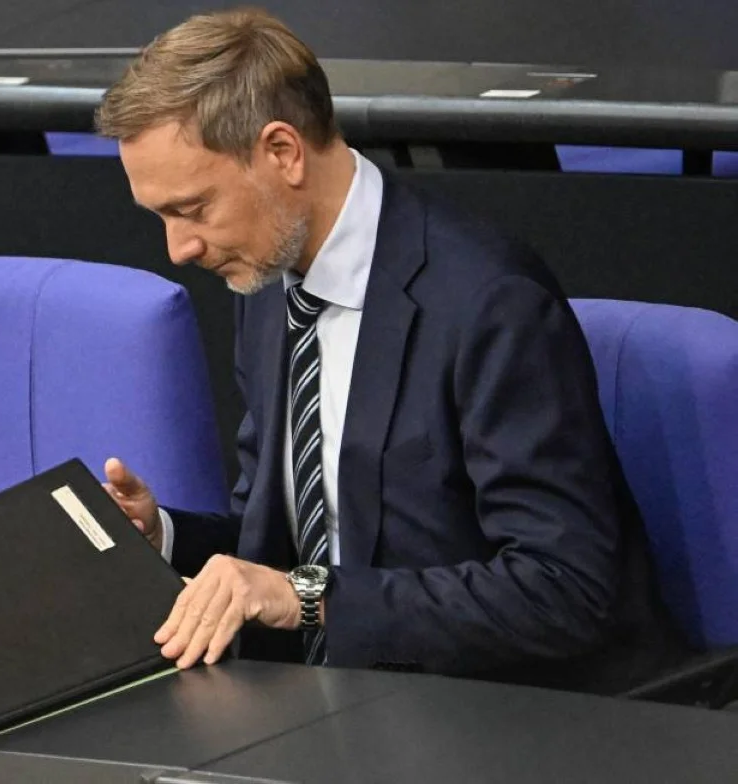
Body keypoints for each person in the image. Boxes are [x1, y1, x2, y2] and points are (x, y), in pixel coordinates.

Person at [94, 7, 687, 693]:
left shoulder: (487, 302)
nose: (179, 249)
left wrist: (306, 597)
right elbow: (295, 546)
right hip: (340, 698)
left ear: (282, 152)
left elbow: (563, 590)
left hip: (505, 707)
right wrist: (167, 537)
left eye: (193, 209)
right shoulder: (265, 284)